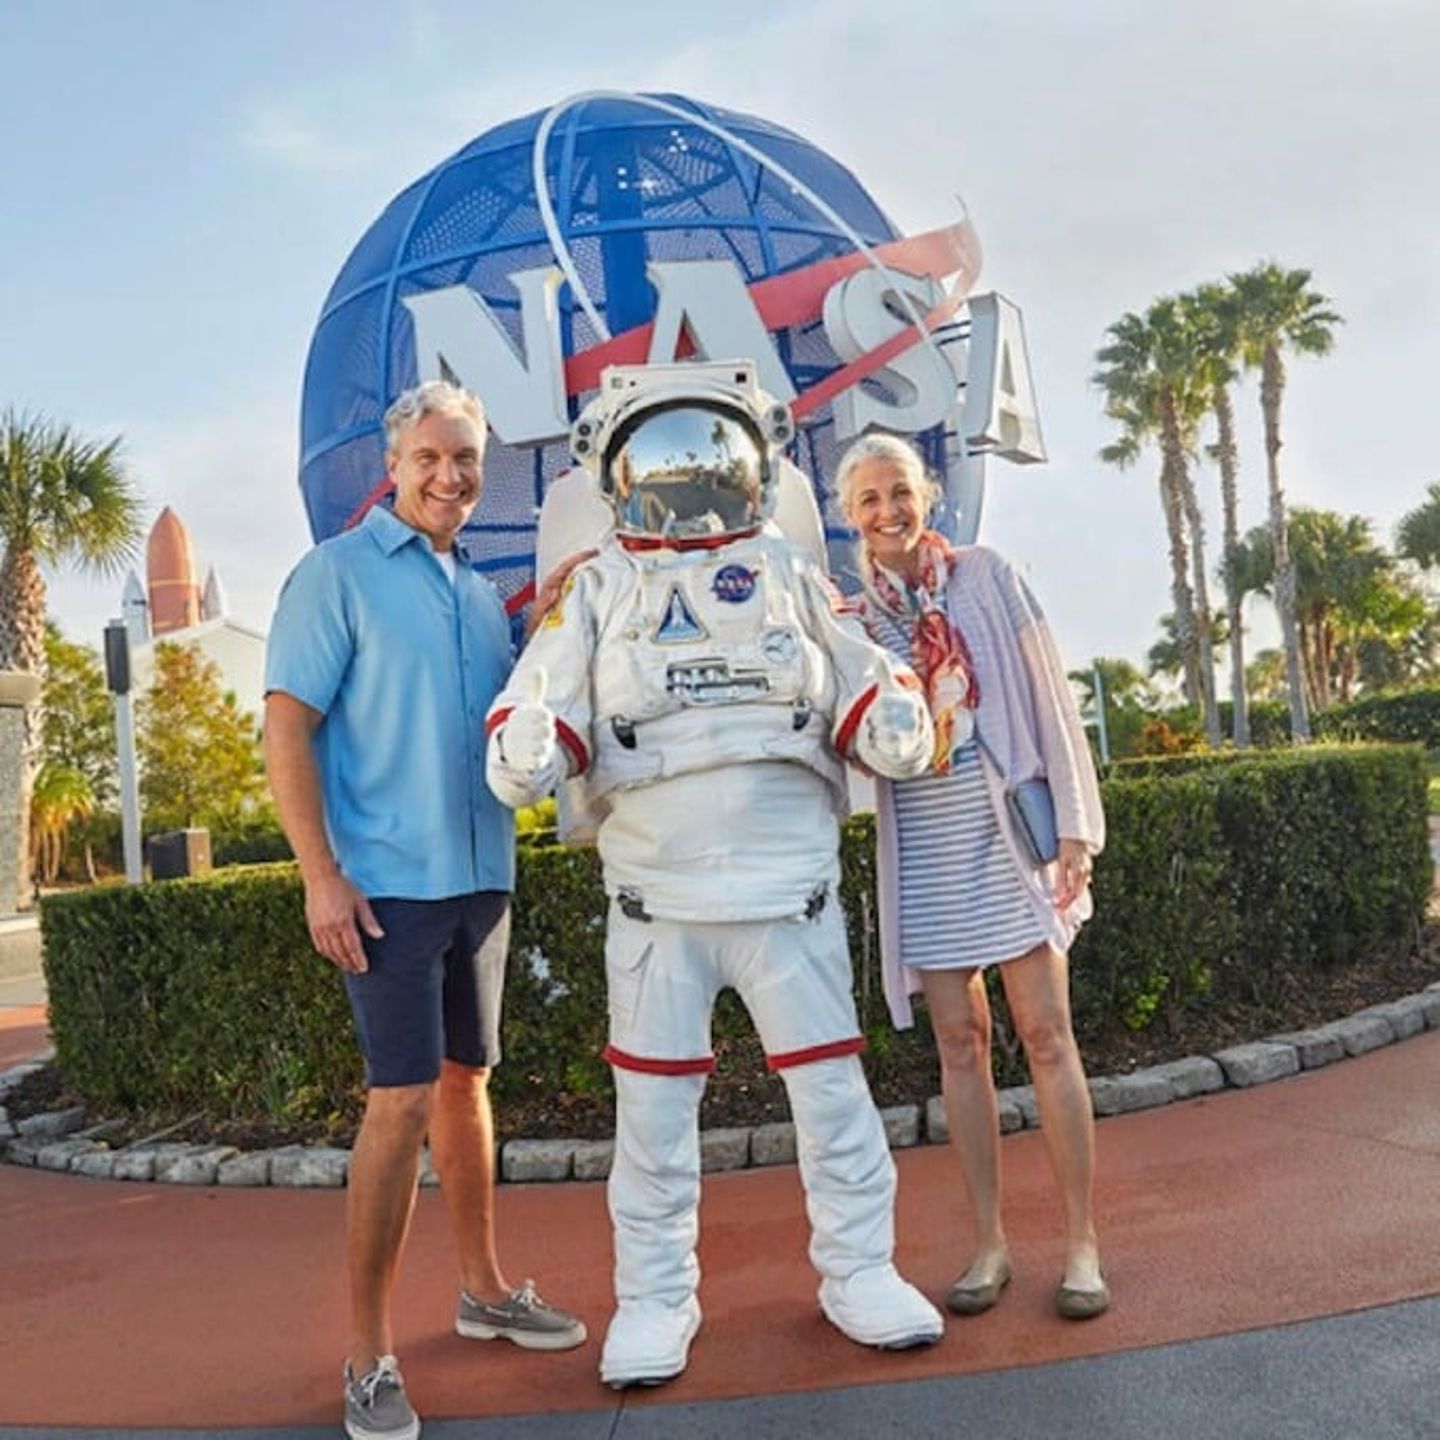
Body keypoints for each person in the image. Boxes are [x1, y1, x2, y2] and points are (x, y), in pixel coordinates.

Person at [485, 361, 945, 1390]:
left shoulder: (786, 570)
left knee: (832, 1094)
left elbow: (859, 669)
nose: (688, 477)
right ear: (619, 470)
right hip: (660, 904)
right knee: (651, 1118)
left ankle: (860, 1269)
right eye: (664, 455)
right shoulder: (599, 586)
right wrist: (527, 739)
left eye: (706, 452)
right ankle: (655, 1295)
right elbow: (541, 694)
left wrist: (892, 713)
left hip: (789, 895)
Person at [264, 380, 585, 1440]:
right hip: (388, 886)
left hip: (481, 876)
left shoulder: (469, 591)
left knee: (467, 1084)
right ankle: (369, 1355)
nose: (450, 476)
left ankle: (485, 1289)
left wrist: (546, 610)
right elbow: (286, 729)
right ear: (393, 465)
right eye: (431, 458)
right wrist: (321, 874)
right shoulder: (335, 575)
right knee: (398, 1102)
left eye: (466, 459)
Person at [834, 432, 1110, 1321]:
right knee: (962, 1045)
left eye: (901, 492)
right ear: (850, 517)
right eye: (870, 499)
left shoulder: (988, 576)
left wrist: (1075, 826)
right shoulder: (853, 622)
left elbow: (1050, 697)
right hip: (924, 848)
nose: (889, 512)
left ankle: (1081, 1247)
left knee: (1048, 1034)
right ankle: (989, 1243)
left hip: (1007, 840)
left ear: (930, 497)